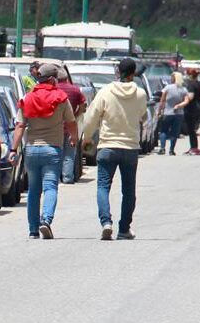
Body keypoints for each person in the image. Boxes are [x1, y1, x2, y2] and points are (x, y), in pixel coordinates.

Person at [81, 58, 148, 240]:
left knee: (103, 186)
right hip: (130, 147)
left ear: (118, 72)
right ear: (133, 74)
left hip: (107, 146)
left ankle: (106, 222)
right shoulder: (140, 94)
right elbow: (144, 116)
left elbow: (90, 119)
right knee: (128, 190)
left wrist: (87, 138)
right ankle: (124, 228)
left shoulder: (105, 92)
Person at [9, 63, 77, 240]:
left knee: (33, 190)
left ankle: (33, 230)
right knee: (50, 187)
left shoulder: (27, 98)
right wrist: (74, 138)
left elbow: (20, 126)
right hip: (52, 150)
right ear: (53, 79)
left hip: (32, 150)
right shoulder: (61, 98)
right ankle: (45, 221)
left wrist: (13, 149)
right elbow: (71, 122)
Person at [56, 68, 86, 184]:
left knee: (57, 153)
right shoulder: (75, 89)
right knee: (69, 153)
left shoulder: (54, 90)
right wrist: (74, 115)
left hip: (56, 127)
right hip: (71, 125)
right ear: (66, 78)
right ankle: (67, 178)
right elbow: (83, 106)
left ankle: (56, 178)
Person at [156, 72, 189, 155]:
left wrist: (159, 111)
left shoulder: (167, 88)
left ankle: (162, 148)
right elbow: (186, 101)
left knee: (163, 130)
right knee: (175, 132)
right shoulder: (184, 89)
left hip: (168, 113)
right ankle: (171, 150)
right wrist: (178, 105)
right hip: (179, 114)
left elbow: (162, 101)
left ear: (174, 78)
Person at [183, 67, 200, 155]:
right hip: (197, 107)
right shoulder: (198, 83)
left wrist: (184, 97)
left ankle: (194, 148)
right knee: (192, 129)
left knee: (191, 129)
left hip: (191, 108)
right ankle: (193, 147)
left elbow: (191, 96)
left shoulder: (190, 84)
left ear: (190, 75)